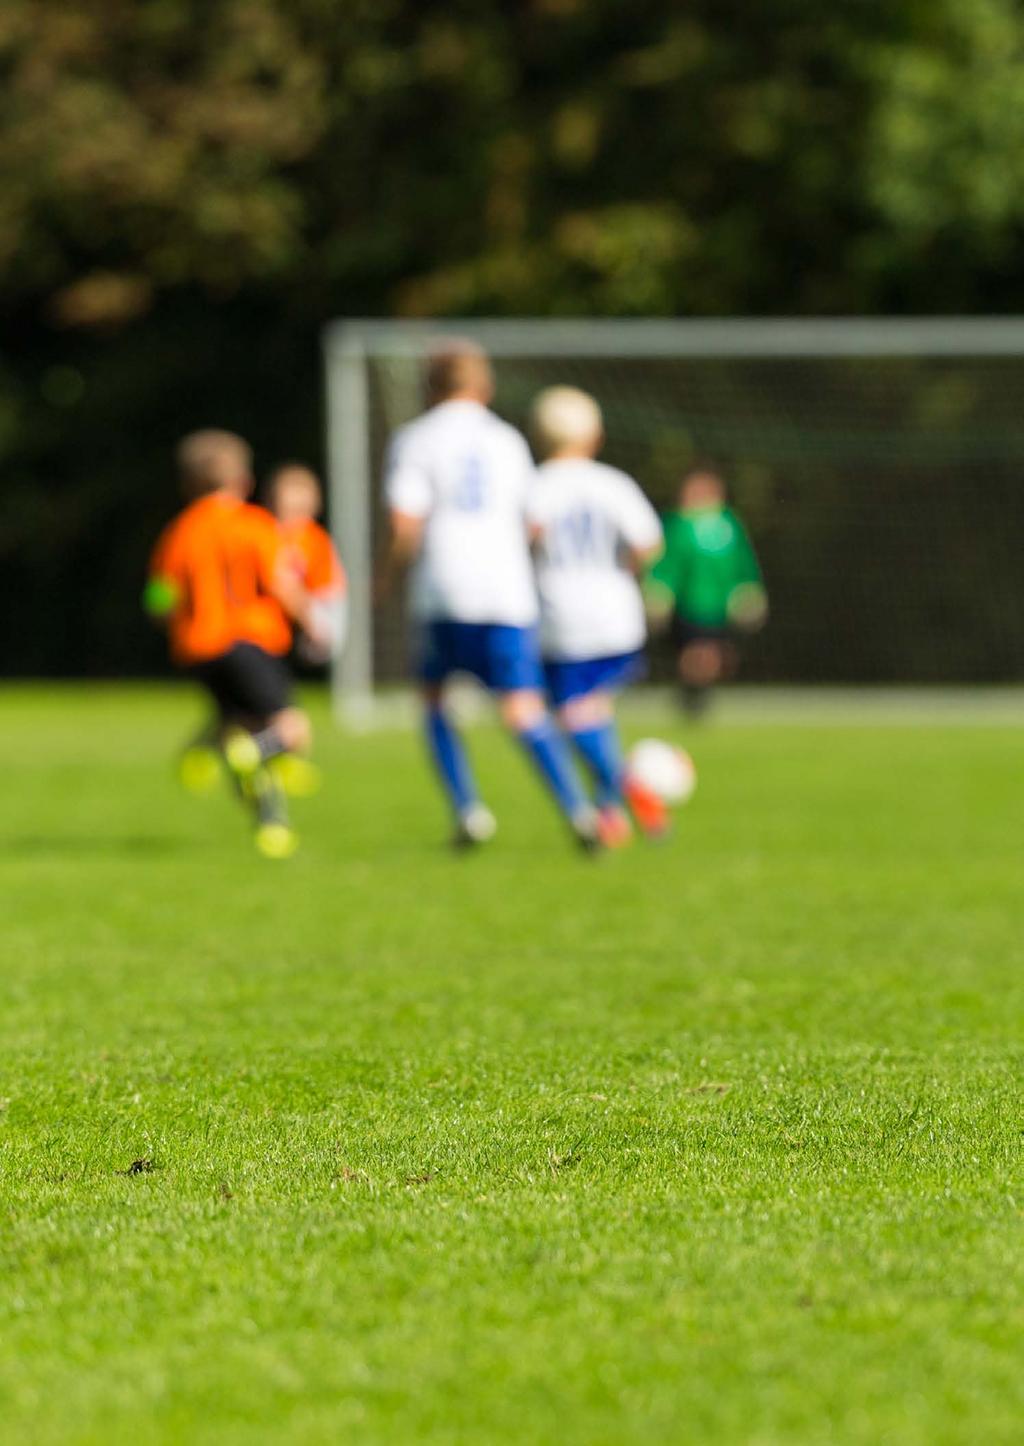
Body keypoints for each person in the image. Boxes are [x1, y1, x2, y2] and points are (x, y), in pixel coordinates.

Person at [377, 341, 600, 850]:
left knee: (434, 701)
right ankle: (578, 810)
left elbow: (405, 523)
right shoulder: (508, 440)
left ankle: (468, 809)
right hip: (506, 592)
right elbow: (535, 524)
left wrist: (387, 578)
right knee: (523, 709)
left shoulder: (416, 439)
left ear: (430, 386)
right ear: (484, 385)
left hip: (442, 592)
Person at [145, 429, 321, 858]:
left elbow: (159, 599)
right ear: (244, 481)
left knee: (239, 730)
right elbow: (279, 582)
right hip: (248, 642)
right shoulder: (254, 524)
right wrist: (310, 620)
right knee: (291, 731)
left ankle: (271, 824)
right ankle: (250, 751)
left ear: (188, 485)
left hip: (200, 651)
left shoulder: (180, 532)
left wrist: (178, 618)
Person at [527, 386, 668, 846]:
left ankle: (630, 787)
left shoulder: (534, 485)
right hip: (617, 618)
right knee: (593, 709)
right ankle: (609, 809)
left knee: (569, 715)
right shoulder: (613, 482)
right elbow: (649, 543)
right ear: (596, 435)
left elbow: (524, 540)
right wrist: (623, 571)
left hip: (564, 619)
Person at [647, 464, 767, 717]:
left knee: (712, 655)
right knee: (697, 652)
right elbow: (665, 563)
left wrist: (748, 589)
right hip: (689, 603)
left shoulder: (729, 525)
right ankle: (693, 697)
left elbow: (743, 562)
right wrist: (659, 590)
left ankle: (696, 693)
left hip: (720, 605)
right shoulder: (677, 525)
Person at [265, 463, 348, 668]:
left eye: (301, 510)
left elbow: (329, 591)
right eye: (289, 510)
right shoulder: (263, 534)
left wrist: (313, 621)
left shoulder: (316, 540)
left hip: (306, 611)